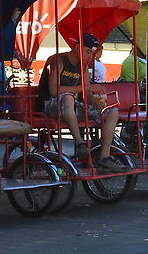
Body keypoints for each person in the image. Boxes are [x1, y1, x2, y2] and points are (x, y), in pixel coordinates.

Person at [37, 33, 129, 173]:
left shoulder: (84, 67)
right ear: (78, 47)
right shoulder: (58, 60)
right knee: (68, 97)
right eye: (87, 52)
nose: (89, 56)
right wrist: (86, 88)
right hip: (49, 105)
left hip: (71, 106)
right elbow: (54, 90)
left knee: (111, 112)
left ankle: (104, 158)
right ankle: (80, 144)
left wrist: (96, 100)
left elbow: (85, 94)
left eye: (92, 53)